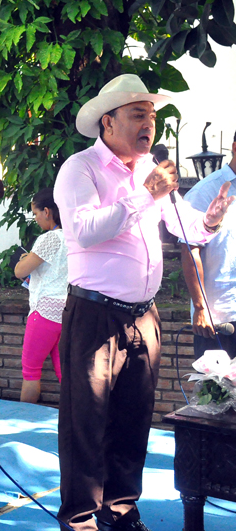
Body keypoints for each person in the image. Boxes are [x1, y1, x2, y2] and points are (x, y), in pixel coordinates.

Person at [53, 73, 234, 531]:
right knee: (86, 426)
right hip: (94, 314)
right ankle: (80, 520)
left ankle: (121, 511)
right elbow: (84, 231)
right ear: (108, 122)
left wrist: (209, 222)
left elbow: (183, 226)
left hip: (143, 317)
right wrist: (145, 193)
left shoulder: (147, 175)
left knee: (134, 425)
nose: (149, 124)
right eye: (138, 115)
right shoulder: (81, 169)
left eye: (152, 116)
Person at [181, 131, 236, 360]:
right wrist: (201, 308)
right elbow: (190, 250)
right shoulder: (205, 192)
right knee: (218, 395)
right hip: (219, 319)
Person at [13, 188, 66, 403]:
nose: (35, 219)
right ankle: (76, 421)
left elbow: (20, 271)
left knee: (31, 372)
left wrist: (22, 260)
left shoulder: (50, 238)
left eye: (35, 213)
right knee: (65, 373)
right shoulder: (75, 236)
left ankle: (25, 419)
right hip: (67, 311)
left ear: (47, 211)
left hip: (43, 311)